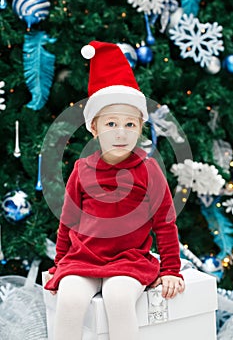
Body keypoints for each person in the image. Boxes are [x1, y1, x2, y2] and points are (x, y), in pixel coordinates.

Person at [44, 41, 185, 340]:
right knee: (69, 299)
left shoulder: (148, 169)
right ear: (93, 129)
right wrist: (59, 264)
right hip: (83, 258)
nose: (121, 133)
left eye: (130, 125)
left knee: (119, 298)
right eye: (111, 123)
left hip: (129, 259)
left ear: (139, 128)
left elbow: (165, 223)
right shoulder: (82, 170)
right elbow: (67, 223)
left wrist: (171, 269)